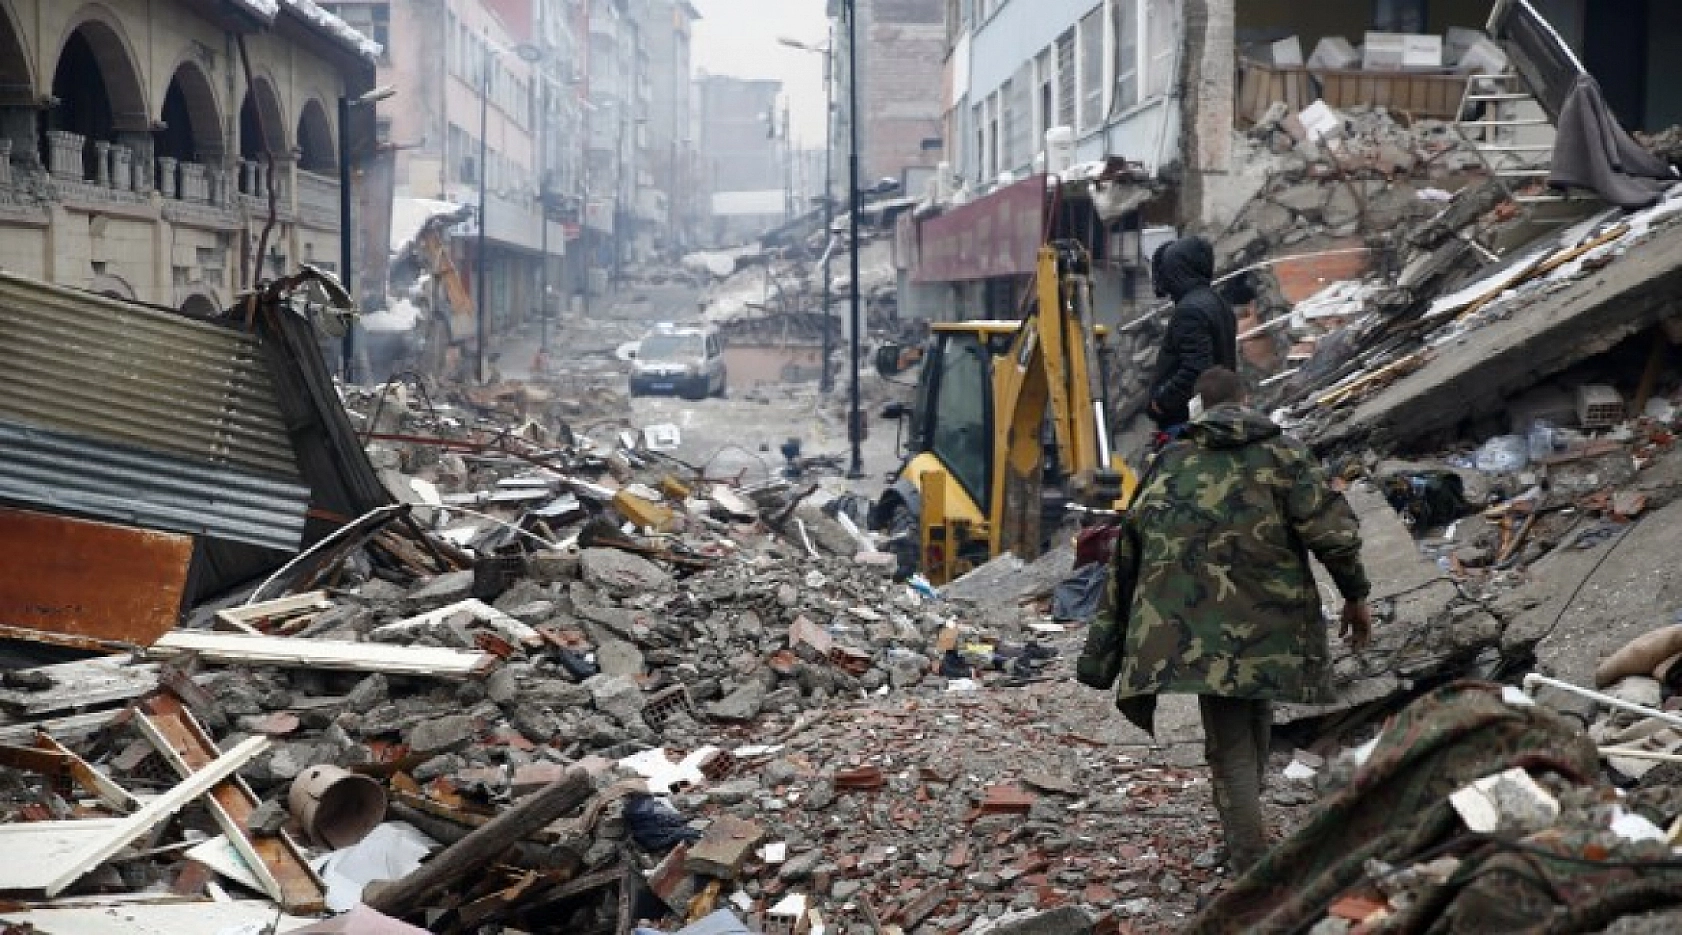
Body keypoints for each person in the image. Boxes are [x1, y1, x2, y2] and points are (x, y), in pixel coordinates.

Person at [1112, 366, 1372, 872]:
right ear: (1247, 398)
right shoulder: (1284, 454)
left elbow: (1131, 544)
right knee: (1252, 721)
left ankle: (1249, 859)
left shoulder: (1171, 461)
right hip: (1272, 619)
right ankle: (1248, 850)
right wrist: (1355, 596)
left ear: (1200, 408)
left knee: (1233, 740)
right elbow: (1332, 534)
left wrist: (1120, 635)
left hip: (1194, 627)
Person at [1147, 236, 1238, 441]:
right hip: (1216, 418)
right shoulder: (1219, 304)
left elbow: (1196, 368)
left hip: (1188, 425)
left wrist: (1161, 401)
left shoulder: (1189, 311)